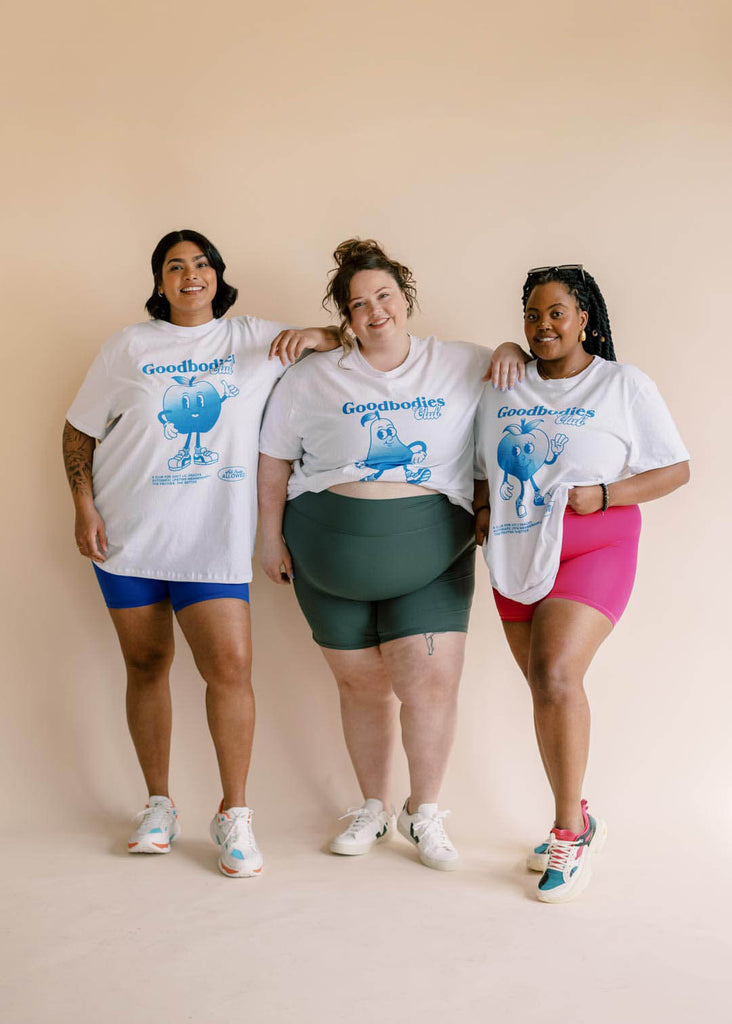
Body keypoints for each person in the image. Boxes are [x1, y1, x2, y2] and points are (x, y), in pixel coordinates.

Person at [63, 228, 338, 878]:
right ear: (159, 282)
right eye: (175, 266)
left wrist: (318, 337)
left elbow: (348, 337)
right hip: (127, 536)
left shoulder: (251, 339)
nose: (190, 274)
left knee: (231, 668)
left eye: (201, 263)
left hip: (212, 537)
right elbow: (78, 430)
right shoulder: (128, 346)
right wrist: (83, 505)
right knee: (147, 663)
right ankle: (158, 805)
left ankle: (235, 816)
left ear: (218, 274)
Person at [258, 238, 527, 871]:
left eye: (384, 296)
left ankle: (424, 811)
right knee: (360, 686)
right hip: (324, 556)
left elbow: (526, 372)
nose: (374, 311)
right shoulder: (310, 376)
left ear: (404, 299)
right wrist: (267, 538)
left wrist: (512, 348)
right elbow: (272, 460)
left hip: (432, 551)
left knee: (430, 683)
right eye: (358, 304)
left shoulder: (463, 362)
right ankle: (372, 807)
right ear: (344, 318)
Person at [473, 264, 689, 902]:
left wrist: (605, 494)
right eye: (533, 316)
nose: (543, 326)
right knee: (545, 690)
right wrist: (484, 510)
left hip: (596, 543)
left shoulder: (623, 384)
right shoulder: (504, 382)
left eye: (557, 313)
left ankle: (569, 833)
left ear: (585, 317)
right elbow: (480, 460)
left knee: (557, 676)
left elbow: (675, 468)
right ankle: (581, 812)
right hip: (516, 548)